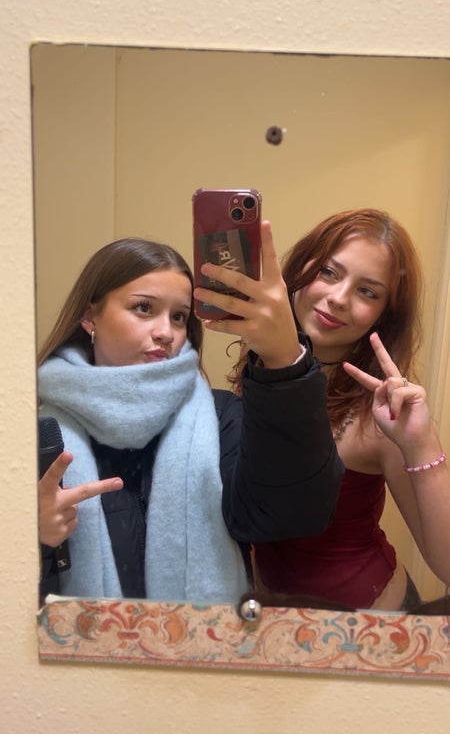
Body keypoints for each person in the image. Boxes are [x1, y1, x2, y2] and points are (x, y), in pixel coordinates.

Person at [37, 221, 343, 605]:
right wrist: (32, 538)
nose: (166, 332)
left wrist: (283, 361)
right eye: (143, 308)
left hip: (204, 643)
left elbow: (289, 513)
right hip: (75, 645)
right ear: (90, 317)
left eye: (179, 316)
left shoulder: (221, 417)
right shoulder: (38, 432)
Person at [237, 209, 450, 611]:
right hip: (274, 618)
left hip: (369, 622)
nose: (338, 298)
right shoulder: (261, 369)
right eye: (329, 272)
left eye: (367, 292)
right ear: (300, 268)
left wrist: (422, 444)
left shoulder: (382, 414)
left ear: (385, 315)